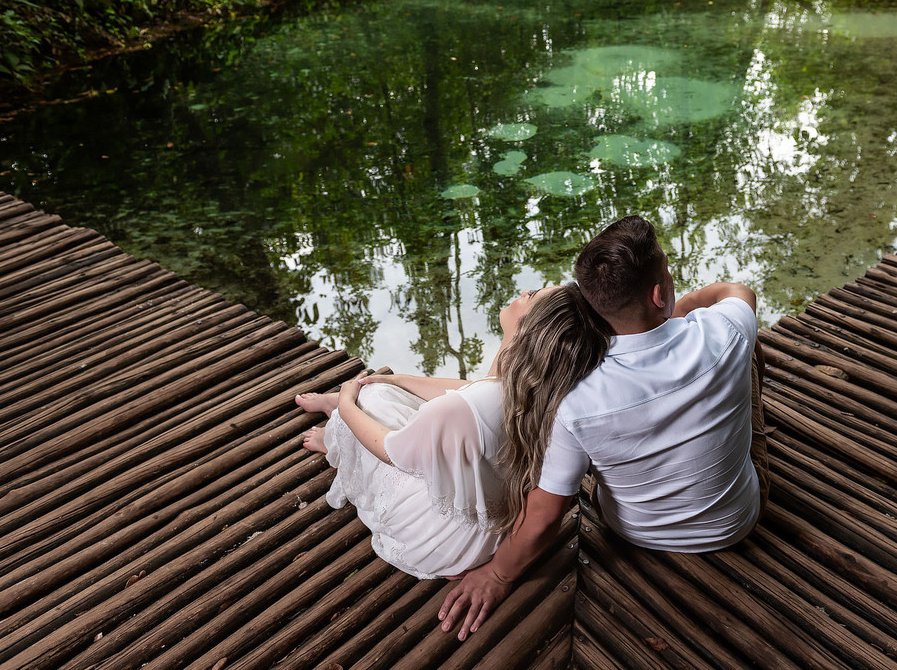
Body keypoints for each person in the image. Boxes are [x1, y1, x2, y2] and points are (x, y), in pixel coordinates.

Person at [438, 215, 766, 639]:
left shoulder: (575, 397)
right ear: (658, 291)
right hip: (734, 522)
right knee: (750, 348)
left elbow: (545, 514)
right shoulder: (723, 332)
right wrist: (677, 311)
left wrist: (499, 576)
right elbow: (737, 292)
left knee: (588, 446)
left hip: (634, 531)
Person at [296, 282, 610, 579]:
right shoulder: (541, 392)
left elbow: (390, 450)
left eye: (532, 295)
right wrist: (399, 380)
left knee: (370, 398)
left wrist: (349, 401)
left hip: (437, 540)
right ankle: (342, 411)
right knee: (387, 391)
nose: (524, 291)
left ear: (529, 328)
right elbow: (474, 390)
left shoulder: (461, 410)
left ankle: (333, 432)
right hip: (483, 534)